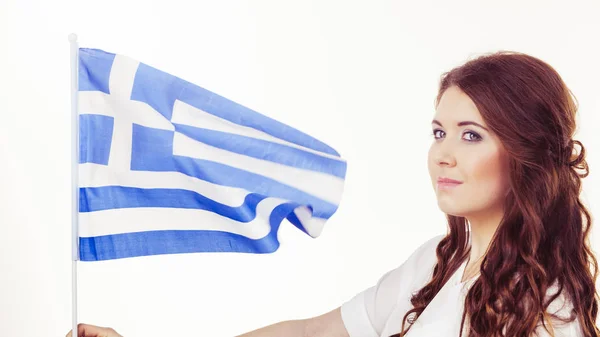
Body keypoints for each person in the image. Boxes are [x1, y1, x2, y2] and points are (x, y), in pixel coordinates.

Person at [66, 51, 600, 337]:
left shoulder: (547, 310)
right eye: (439, 132)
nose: (444, 154)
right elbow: (314, 333)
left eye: (471, 135)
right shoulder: (441, 264)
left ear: (526, 150)